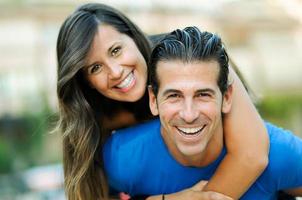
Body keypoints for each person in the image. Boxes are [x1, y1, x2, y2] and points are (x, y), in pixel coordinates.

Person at [56, 3, 269, 200]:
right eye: (95, 68)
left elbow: (252, 156)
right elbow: (86, 194)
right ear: (87, 82)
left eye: (116, 50)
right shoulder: (94, 116)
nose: (116, 72)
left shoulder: (191, 57)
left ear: (133, 36)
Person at [103, 26, 302, 199]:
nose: (189, 115)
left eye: (203, 95)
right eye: (174, 96)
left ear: (226, 97)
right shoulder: (123, 157)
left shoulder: (277, 153)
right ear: (153, 100)